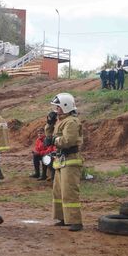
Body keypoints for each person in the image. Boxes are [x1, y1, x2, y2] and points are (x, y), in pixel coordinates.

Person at [45, 93, 84, 232]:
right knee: (58, 192)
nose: (56, 110)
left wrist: (54, 141)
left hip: (70, 160)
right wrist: (49, 124)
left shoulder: (71, 122)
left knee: (69, 192)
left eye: (58, 107)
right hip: (61, 161)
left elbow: (68, 141)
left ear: (65, 106)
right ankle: (63, 218)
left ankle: (75, 221)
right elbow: (50, 136)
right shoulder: (61, 122)